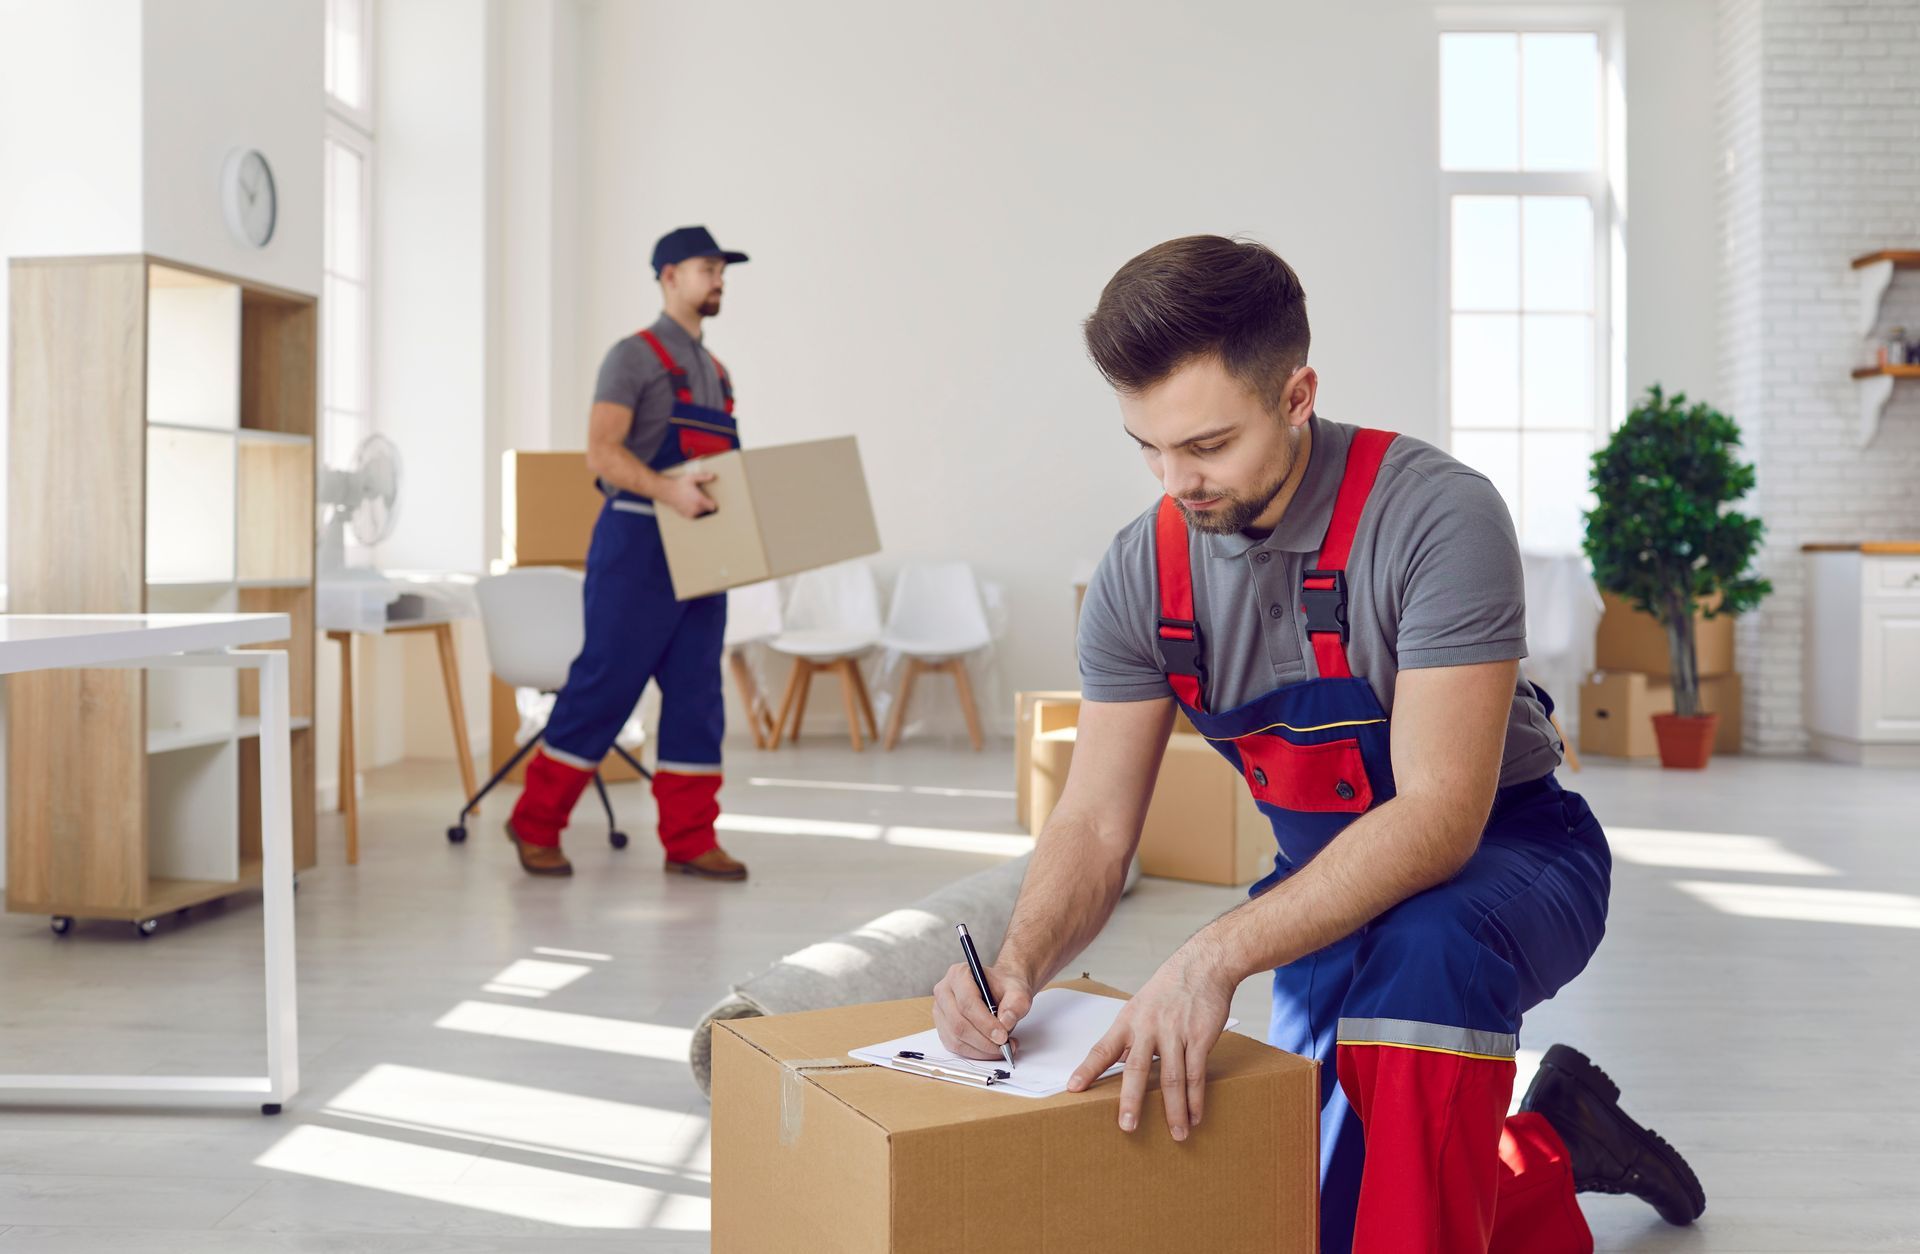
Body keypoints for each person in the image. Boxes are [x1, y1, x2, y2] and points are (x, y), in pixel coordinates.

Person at [932, 235, 1705, 1252]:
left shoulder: (1437, 516)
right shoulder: (1139, 576)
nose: (1176, 483)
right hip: (1323, 896)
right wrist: (1016, 961)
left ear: (1296, 396)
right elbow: (1091, 820)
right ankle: (1553, 1137)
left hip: (1512, 861)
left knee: (1421, 968)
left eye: (1206, 446)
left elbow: (1439, 817)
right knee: (1326, 1217)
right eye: (1148, 448)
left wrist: (1213, 957)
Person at [505, 225, 752, 882]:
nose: (719, 279)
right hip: (638, 542)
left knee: (698, 695)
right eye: (708, 268)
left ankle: (691, 838)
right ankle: (534, 824)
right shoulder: (633, 357)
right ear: (669, 275)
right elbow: (603, 454)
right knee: (605, 687)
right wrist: (670, 491)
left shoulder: (716, 371)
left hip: (703, 551)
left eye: (723, 270)